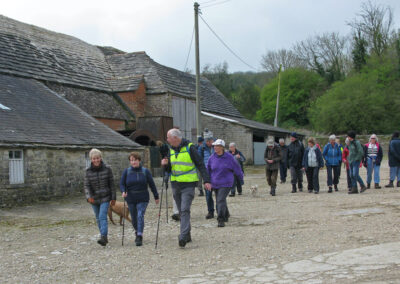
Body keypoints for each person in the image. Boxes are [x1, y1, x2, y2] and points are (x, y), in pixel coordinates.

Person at [161, 128, 211, 248]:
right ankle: (187, 234)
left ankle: (182, 236)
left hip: (188, 184)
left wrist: (206, 181)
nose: (167, 140)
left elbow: (200, 164)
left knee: (184, 209)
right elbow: (169, 169)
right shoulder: (170, 150)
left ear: (175, 138)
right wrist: (165, 165)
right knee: (181, 210)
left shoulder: (190, 147)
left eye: (168, 137)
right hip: (175, 184)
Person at [120, 152, 159, 246]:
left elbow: (152, 184)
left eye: (135, 160)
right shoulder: (127, 171)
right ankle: (137, 231)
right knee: (133, 218)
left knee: (140, 215)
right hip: (131, 198)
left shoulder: (145, 171)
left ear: (139, 160)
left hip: (143, 197)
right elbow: (122, 184)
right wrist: (123, 191)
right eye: (131, 160)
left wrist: (156, 196)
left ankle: (139, 236)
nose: (133, 162)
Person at [207, 139, 243, 227]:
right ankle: (226, 214)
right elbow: (208, 170)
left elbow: (237, 168)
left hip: (226, 182)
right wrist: (207, 181)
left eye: (217, 146)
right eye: (214, 146)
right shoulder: (212, 158)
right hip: (215, 183)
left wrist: (240, 178)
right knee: (220, 200)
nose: (215, 147)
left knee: (220, 200)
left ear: (222, 147)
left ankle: (221, 219)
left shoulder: (229, 157)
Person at [84, 148, 116, 246]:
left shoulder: (107, 169)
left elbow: (112, 183)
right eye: (94, 158)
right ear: (91, 159)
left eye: (97, 158)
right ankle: (103, 235)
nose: (96, 160)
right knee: (98, 218)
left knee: (102, 216)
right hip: (94, 198)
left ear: (100, 158)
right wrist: (88, 197)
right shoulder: (88, 171)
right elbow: (86, 186)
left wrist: (113, 197)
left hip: (105, 197)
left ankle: (103, 236)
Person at [157, 140, 180, 222]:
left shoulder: (167, 148)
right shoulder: (167, 148)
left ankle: (181, 212)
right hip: (173, 175)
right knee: (175, 194)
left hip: (181, 177)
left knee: (179, 195)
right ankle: (176, 212)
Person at [198, 136, 216, 219]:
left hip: (217, 174)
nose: (210, 143)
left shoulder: (217, 146)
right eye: (208, 141)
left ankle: (223, 211)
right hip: (207, 174)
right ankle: (210, 211)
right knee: (208, 194)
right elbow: (199, 160)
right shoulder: (202, 148)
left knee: (220, 194)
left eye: (211, 141)